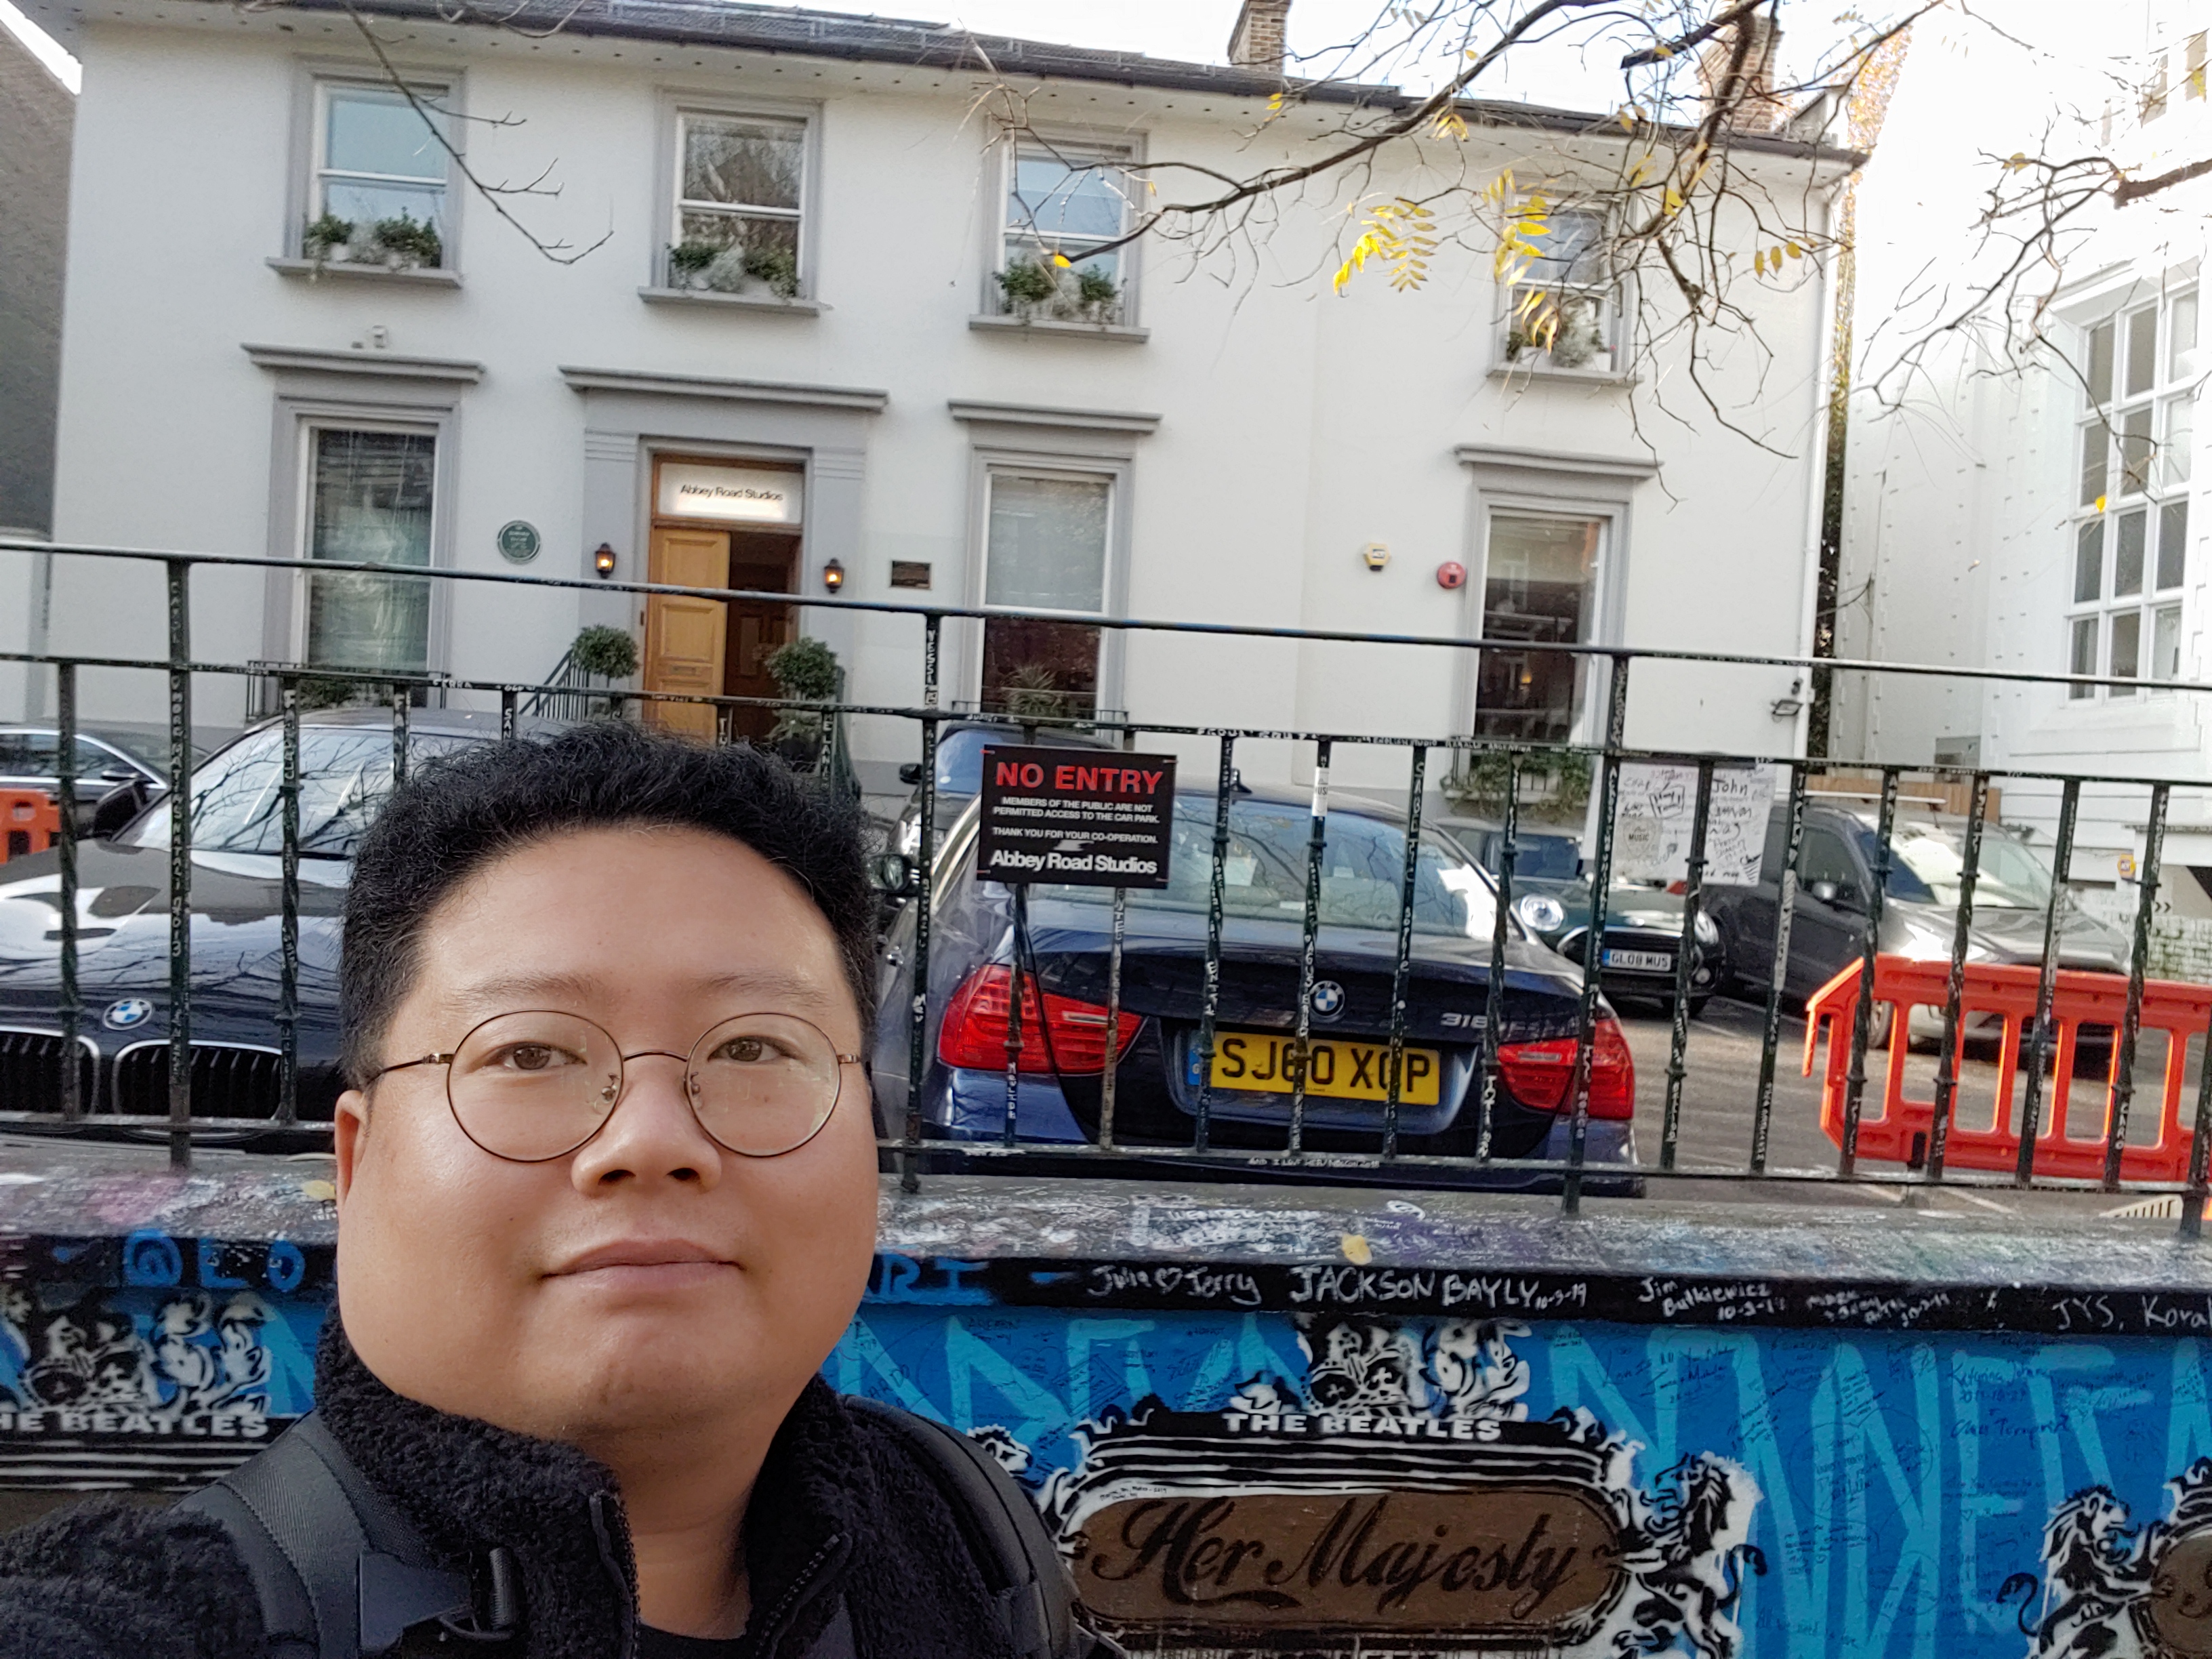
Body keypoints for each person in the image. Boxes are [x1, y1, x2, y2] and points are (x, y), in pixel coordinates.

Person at [0, 722, 1111, 1659]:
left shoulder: (967, 1543)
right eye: (529, 1053)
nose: (651, 1140)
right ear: (357, 1161)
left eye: (754, 1048)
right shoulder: (164, 1619)